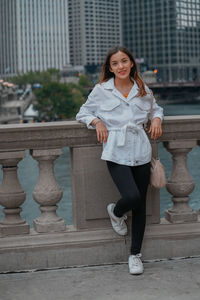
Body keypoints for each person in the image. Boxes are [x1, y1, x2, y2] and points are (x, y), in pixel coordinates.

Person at [76, 46, 163, 275]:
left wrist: (156, 120)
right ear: (110, 67)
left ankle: (135, 255)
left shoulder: (143, 89)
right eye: (115, 63)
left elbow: (157, 109)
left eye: (124, 61)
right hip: (116, 150)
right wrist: (97, 122)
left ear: (132, 63)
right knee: (132, 196)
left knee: (141, 205)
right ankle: (116, 212)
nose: (121, 66)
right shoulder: (101, 90)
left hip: (141, 150)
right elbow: (83, 112)